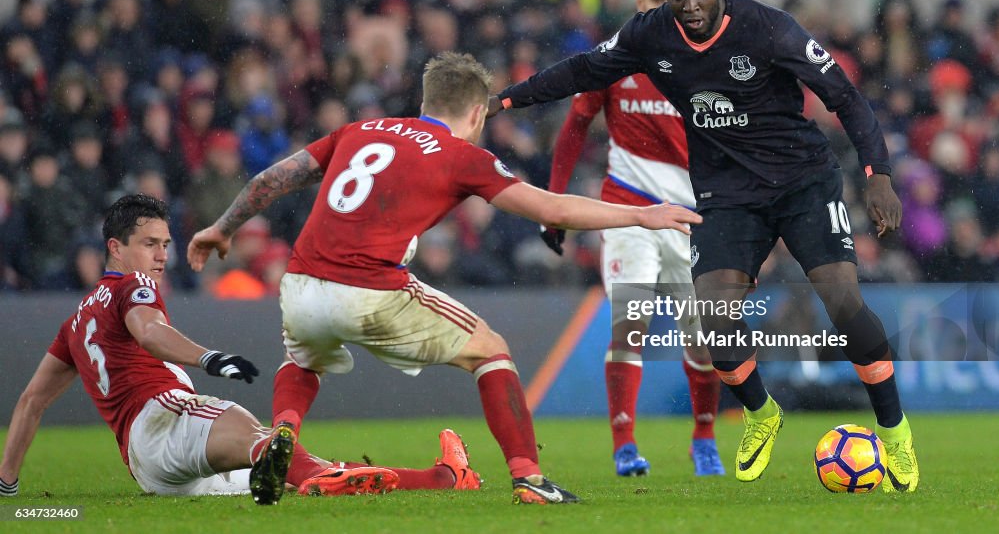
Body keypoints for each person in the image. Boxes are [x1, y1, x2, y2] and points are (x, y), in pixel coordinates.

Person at [488, 0, 919, 492]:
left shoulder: (768, 28)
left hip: (802, 183)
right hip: (726, 195)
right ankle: (762, 414)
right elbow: (581, 70)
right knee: (714, 318)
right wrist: (506, 101)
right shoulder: (650, 34)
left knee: (843, 303)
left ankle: (894, 430)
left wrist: (877, 174)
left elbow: (845, 97)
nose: (689, 6)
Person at [187, 52, 702, 505]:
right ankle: (530, 478)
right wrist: (642, 214)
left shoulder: (361, 129)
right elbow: (549, 207)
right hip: (369, 289)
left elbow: (272, 179)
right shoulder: (463, 156)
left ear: (426, 100)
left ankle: (283, 432)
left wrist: (221, 227)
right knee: (490, 350)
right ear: (477, 112)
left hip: (300, 285)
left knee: (303, 358)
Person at [0, 194, 482, 503]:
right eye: (149, 244)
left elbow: (31, 402)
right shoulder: (133, 286)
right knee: (271, 443)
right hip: (166, 417)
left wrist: (7, 483)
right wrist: (209, 358)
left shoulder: (76, 319)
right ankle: (316, 465)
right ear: (116, 248)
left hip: (147, 466)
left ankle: (441, 478)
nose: (162, 256)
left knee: (295, 473)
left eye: (166, 243)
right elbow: (148, 331)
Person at [543, 0, 723, 478]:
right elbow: (576, 125)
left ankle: (704, 439)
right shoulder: (613, 58)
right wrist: (555, 202)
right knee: (630, 324)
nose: (662, 9)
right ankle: (624, 444)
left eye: (671, 1)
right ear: (640, 3)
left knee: (702, 334)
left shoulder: (702, 61)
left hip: (691, 215)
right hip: (629, 211)